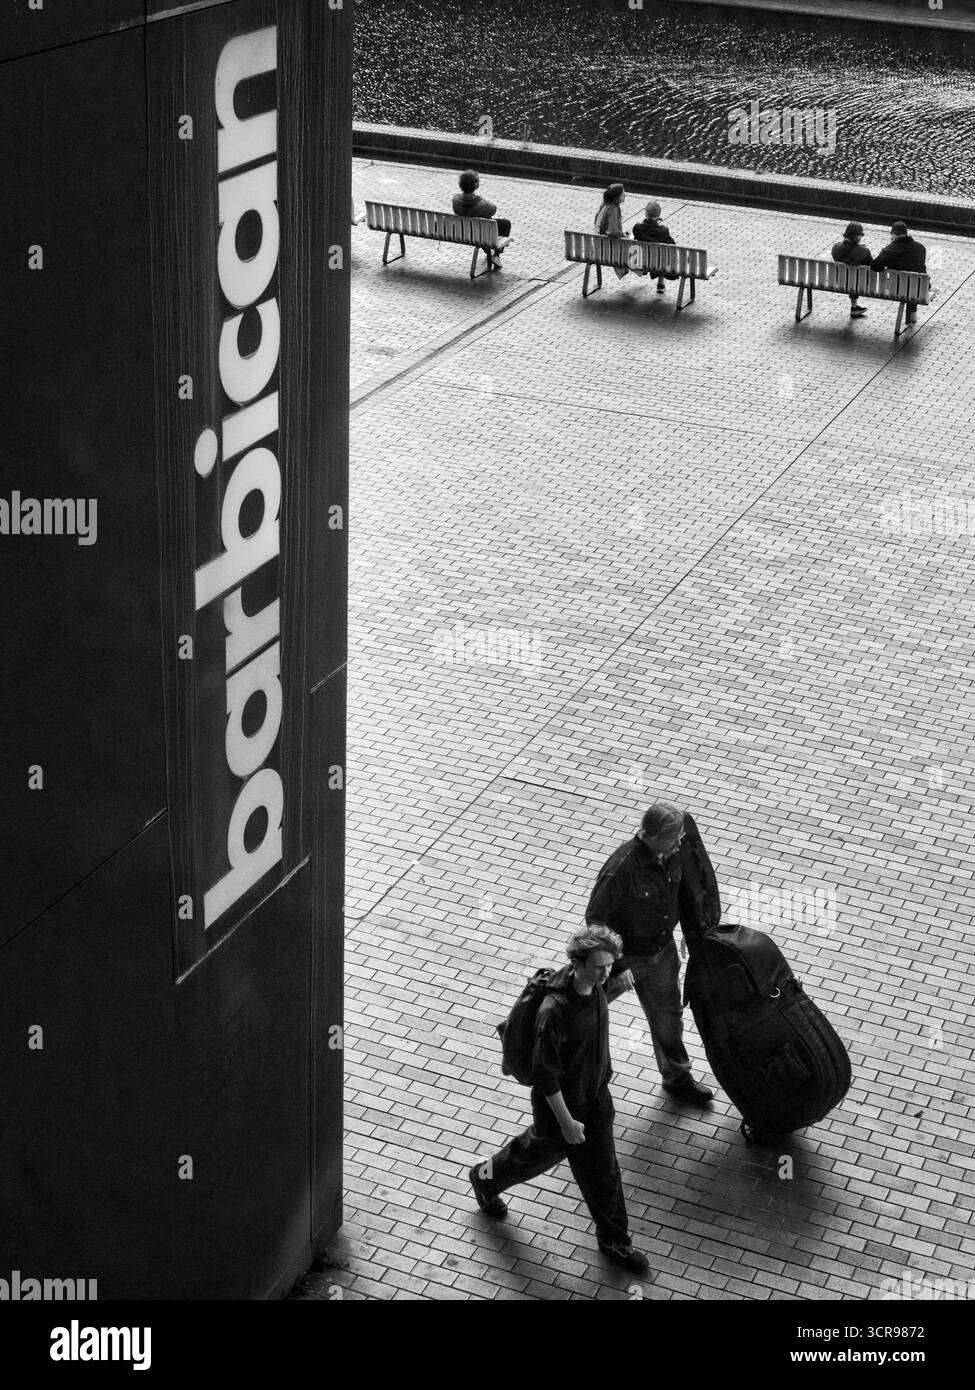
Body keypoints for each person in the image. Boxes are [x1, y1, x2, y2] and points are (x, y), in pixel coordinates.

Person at [469, 925, 650, 1273]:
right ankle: (485, 1178)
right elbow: (546, 1076)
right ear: (578, 963)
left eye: (610, 965)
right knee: (532, 1157)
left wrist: (615, 984)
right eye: (600, 966)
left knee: (604, 1172)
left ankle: (615, 1240)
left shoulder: (593, 986)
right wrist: (567, 1123)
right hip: (562, 1109)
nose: (606, 973)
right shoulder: (554, 1011)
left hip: (595, 1098)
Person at [586, 802, 714, 1104]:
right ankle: (580, 1084)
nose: (679, 844)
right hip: (623, 960)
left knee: (669, 1021)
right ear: (652, 835)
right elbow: (595, 919)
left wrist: (689, 932)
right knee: (586, 1017)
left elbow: (684, 893)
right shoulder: (621, 868)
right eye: (673, 839)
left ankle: (677, 1079)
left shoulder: (671, 855)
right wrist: (616, 966)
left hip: (661, 954)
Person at [871, 221, 927, 325]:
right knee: (913, 282)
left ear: (893, 235)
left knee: (906, 283)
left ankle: (911, 315)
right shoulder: (920, 248)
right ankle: (913, 313)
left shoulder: (889, 250)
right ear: (906, 233)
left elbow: (875, 266)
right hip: (919, 289)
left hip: (896, 289)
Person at [452, 170, 510, 269]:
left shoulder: (456, 201)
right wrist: (479, 199)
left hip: (464, 232)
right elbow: (493, 209)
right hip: (479, 234)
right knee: (505, 224)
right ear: (475, 185)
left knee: (482, 225)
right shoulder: (480, 204)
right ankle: (496, 255)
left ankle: (489, 252)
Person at [631, 199, 679, 294]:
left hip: (640, 262)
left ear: (645, 213)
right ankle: (660, 283)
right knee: (663, 253)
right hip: (657, 263)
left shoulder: (637, 228)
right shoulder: (663, 230)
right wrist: (657, 224)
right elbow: (673, 245)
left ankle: (642, 271)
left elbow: (643, 231)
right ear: (659, 214)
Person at [831, 220, 874, 317]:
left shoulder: (836, 247)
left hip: (840, 282)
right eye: (861, 235)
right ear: (858, 236)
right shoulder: (864, 251)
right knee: (856, 278)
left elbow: (838, 257)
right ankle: (854, 307)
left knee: (851, 277)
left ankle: (854, 307)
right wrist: (861, 249)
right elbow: (871, 265)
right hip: (859, 284)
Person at [594, 183, 631, 279]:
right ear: (616, 197)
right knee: (634, 245)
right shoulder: (614, 209)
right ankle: (640, 269)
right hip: (608, 250)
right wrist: (622, 235)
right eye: (623, 194)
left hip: (599, 246)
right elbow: (611, 231)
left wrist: (622, 234)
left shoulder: (604, 206)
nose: (625, 195)